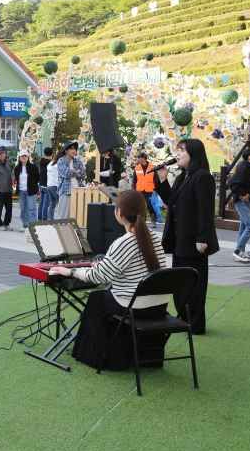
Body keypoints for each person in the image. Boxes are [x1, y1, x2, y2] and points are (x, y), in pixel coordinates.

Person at [50, 190, 171, 370]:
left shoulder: (123, 242)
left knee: (97, 300)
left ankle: (98, 357)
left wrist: (70, 272)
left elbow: (99, 276)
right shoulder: (154, 237)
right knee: (105, 296)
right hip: (158, 306)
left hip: (134, 307)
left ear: (119, 214)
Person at [154, 138, 218, 335]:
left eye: (182, 150)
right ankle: (184, 318)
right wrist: (163, 180)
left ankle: (196, 323)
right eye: (177, 150)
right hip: (179, 239)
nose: (178, 154)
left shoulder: (202, 177)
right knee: (180, 283)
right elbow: (171, 202)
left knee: (194, 285)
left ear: (194, 154)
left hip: (195, 240)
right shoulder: (184, 177)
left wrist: (203, 238)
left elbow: (205, 211)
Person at [228, 147, 250, 262]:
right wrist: (243, 194)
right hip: (241, 201)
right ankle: (237, 251)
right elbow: (233, 183)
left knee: (243, 227)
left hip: (247, 202)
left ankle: (240, 252)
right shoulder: (244, 167)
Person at [55, 141, 85, 220]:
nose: (74, 150)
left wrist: (73, 172)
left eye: (75, 149)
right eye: (71, 149)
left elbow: (83, 174)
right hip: (66, 191)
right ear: (66, 150)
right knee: (63, 216)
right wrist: (76, 172)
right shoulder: (61, 161)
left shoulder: (78, 161)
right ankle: (60, 231)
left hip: (78, 191)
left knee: (75, 216)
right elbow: (66, 173)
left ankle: (72, 232)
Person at [14, 150, 40, 229]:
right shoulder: (17, 168)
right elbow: (16, 179)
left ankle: (33, 225)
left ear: (28, 157)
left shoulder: (33, 167)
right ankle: (25, 224)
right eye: (22, 156)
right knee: (23, 208)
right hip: (21, 191)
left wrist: (36, 188)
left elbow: (37, 178)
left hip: (31, 191)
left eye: (25, 156)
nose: (24, 157)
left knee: (31, 208)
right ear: (19, 158)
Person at [133, 152, 159, 224]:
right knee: (141, 205)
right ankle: (142, 221)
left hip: (149, 189)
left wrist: (156, 189)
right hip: (139, 189)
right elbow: (134, 180)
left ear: (144, 158)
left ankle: (153, 219)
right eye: (138, 158)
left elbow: (156, 179)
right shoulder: (137, 167)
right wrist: (134, 189)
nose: (138, 160)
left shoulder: (152, 167)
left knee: (149, 204)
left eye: (140, 158)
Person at [37, 147, 54, 220]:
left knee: (41, 202)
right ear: (52, 153)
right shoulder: (51, 163)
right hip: (48, 184)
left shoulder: (41, 161)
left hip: (41, 184)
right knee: (46, 203)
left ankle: (39, 217)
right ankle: (44, 218)